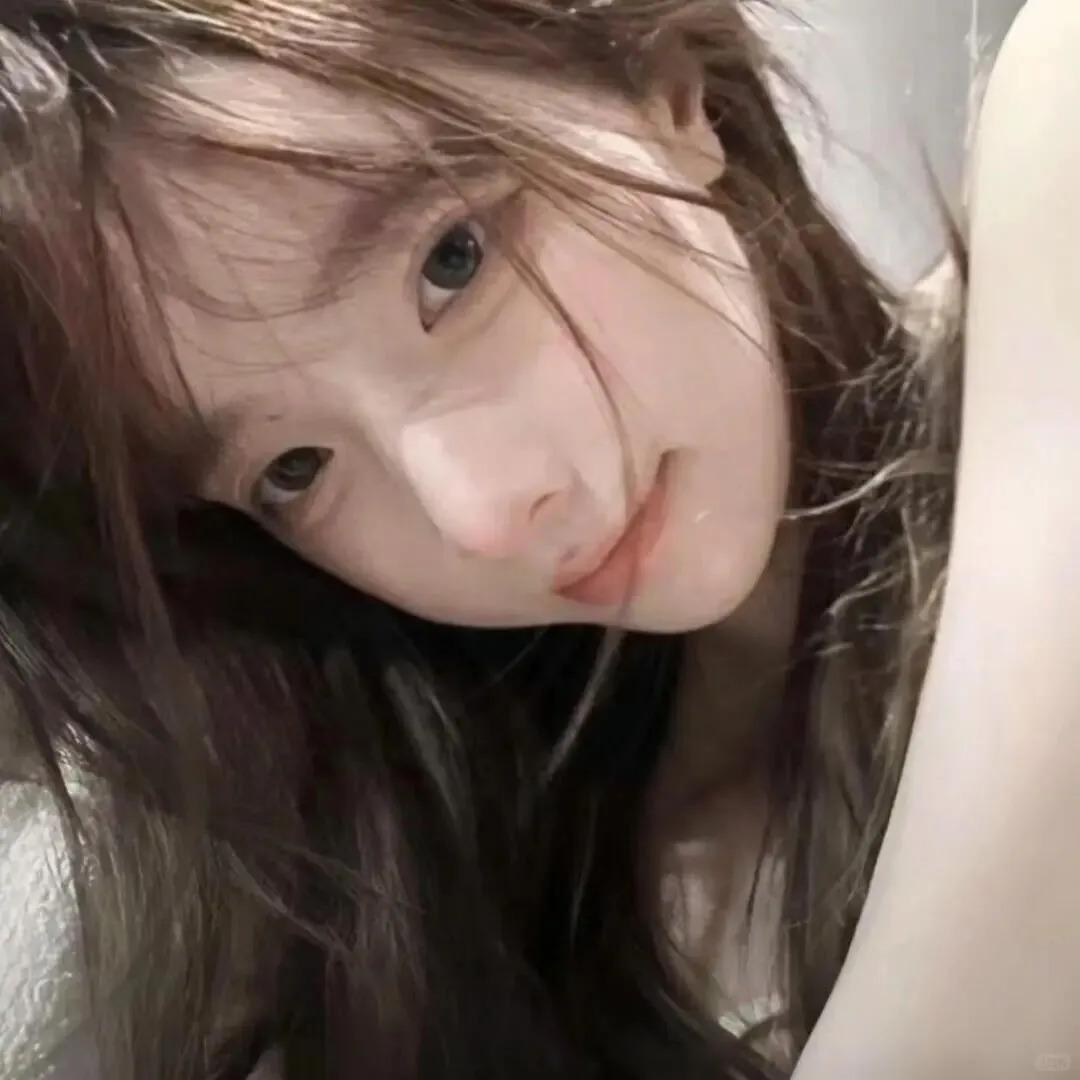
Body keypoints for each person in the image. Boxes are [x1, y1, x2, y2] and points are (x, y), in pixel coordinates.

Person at [1, 0, 1040, 1077]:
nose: (479, 514)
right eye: (292, 471)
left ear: (665, 87)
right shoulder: (493, 924)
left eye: (453, 262)